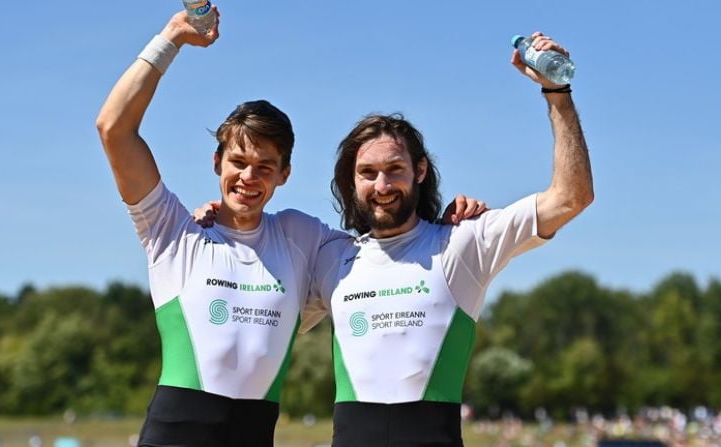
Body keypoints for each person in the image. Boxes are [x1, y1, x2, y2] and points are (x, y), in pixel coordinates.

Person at [96, 8, 486, 446]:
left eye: (265, 166)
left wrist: (440, 226)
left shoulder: (303, 238)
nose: (248, 177)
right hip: (174, 432)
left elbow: (386, 249)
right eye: (238, 162)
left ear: (284, 174)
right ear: (216, 163)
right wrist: (171, 38)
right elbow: (114, 129)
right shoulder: (174, 232)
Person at [303, 32, 593, 447]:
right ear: (351, 182)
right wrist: (225, 219)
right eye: (368, 173)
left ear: (420, 170)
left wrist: (557, 92)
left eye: (395, 169)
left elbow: (572, 196)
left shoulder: (463, 243)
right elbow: (259, 315)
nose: (382, 185)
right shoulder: (331, 258)